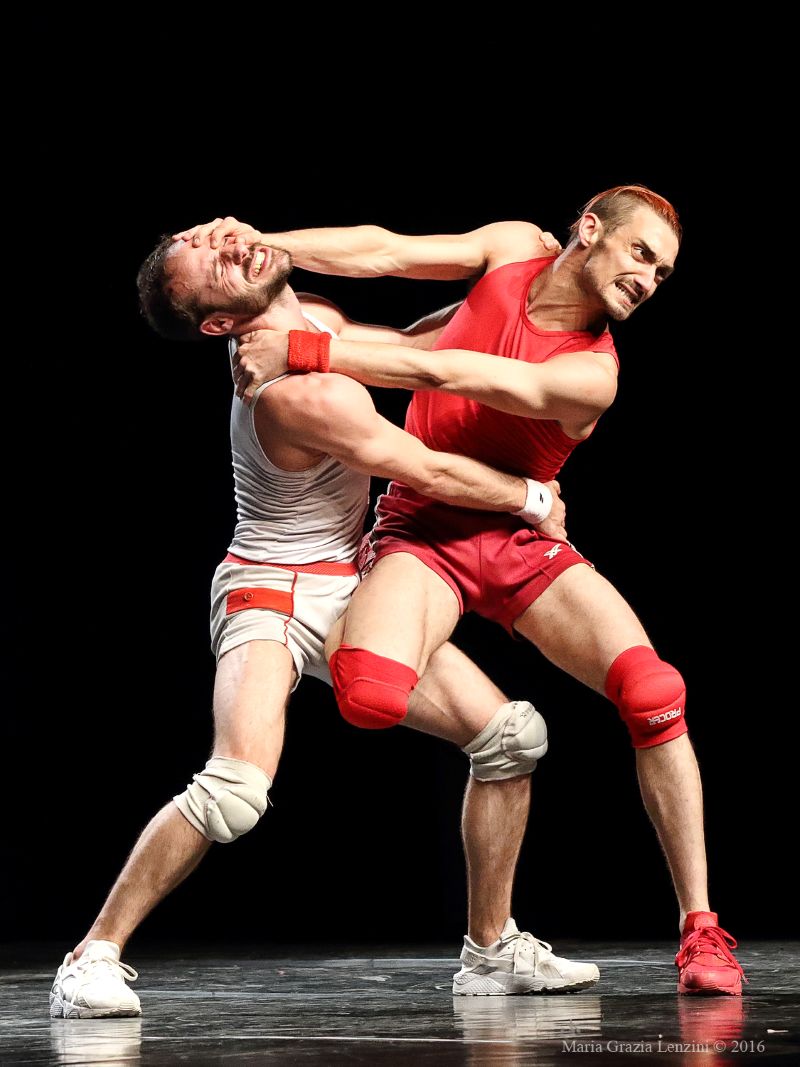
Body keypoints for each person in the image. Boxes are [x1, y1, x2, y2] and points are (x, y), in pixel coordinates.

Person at [190, 186, 746, 997]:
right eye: (640, 253)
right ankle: (487, 945)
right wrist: (264, 243)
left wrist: (307, 350)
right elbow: (385, 248)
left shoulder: (593, 374)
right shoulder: (514, 244)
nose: (648, 278)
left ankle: (701, 930)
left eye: (662, 272)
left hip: (517, 535)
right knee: (370, 692)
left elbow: (445, 369)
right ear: (589, 230)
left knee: (654, 690)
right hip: (419, 527)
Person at [49, 224, 599, 1020]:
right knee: (236, 789)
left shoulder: (313, 318)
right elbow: (424, 467)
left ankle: (489, 950)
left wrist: (525, 290)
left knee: (511, 738)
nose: (229, 247)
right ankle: (90, 956)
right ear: (220, 323)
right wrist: (533, 497)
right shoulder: (293, 390)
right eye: (211, 263)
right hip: (269, 589)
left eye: (212, 238)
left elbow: (410, 344)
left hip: (350, 582)